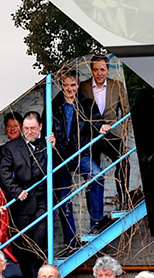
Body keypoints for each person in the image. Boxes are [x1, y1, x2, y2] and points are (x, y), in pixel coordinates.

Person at [50, 70, 109, 241]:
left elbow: (96, 120)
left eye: (73, 85)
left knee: (97, 176)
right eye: (65, 85)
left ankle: (97, 220)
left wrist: (102, 126)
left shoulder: (86, 104)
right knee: (64, 198)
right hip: (60, 156)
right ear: (61, 85)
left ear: (78, 85)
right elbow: (47, 127)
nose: (69, 89)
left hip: (79, 152)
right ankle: (71, 240)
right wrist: (51, 139)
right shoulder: (54, 105)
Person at [0, 111, 50, 278]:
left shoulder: (47, 143)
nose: (29, 131)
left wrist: (54, 147)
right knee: (23, 239)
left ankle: (37, 267)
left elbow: (61, 162)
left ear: (40, 127)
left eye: (33, 128)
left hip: (43, 198)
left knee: (41, 231)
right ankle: (27, 272)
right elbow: (3, 172)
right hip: (22, 200)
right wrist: (16, 190)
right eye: (26, 128)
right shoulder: (11, 147)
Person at [79, 55, 131, 206]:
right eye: (95, 70)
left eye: (102, 69)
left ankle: (124, 201)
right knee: (92, 176)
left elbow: (126, 111)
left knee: (124, 162)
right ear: (91, 70)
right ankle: (94, 216)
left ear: (108, 70)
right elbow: (81, 112)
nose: (99, 73)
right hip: (92, 136)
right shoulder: (84, 86)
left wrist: (123, 132)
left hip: (113, 133)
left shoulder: (118, 86)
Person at [0, 111, 23, 189]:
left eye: (15, 125)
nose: (12, 129)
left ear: (21, 127)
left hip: (25, 193)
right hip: (5, 193)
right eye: (9, 126)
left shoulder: (28, 147)